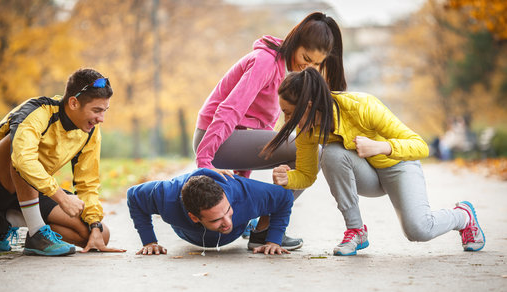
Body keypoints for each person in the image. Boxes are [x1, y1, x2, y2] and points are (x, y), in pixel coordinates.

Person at [262, 68, 485, 256]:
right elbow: (307, 175)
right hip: (369, 175)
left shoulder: (361, 106)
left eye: (289, 113)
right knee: (330, 153)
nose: (287, 121)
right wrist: (288, 178)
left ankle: (462, 216)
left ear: (308, 106)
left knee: (418, 230)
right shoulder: (307, 131)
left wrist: (382, 146)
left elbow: (420, 146)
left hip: (399, 166)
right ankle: (356, 231)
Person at [194, 12, 346, 246]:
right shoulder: (265, 62)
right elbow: (231, 110)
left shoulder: (285, 70)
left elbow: (258, 128)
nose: (309, 66)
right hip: (214, 138)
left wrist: (241, 183)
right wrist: (204, 160)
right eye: (306, 57)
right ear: (294, 42)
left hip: (232, 139)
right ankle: (265, 230)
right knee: (308, 152)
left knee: (306, 151)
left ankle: (262, 227)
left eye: (317, 63)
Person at [0, 68, 126, 256]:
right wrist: (61, 197)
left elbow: (88, 182)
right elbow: (22, 160)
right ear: (74, 103)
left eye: (104, 111)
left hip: (36, 188)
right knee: (21, 151)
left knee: (100, 235)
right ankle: (36, 232)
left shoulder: (90, 130)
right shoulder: (38, 111)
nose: (101, 119)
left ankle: (11, 219)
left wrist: (94, 224)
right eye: (97, 110)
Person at [127, 168, 300, 256]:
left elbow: (285, 197)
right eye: (217, 219)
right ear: (194, 217)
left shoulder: (245, 193)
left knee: (249, 212)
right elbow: (133, 196)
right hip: (186, 233)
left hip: (240, 225)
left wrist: (274, 240)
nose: (227, 222)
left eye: (227, 211)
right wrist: (149, 241)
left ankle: (254, 228)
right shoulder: (165, 196)